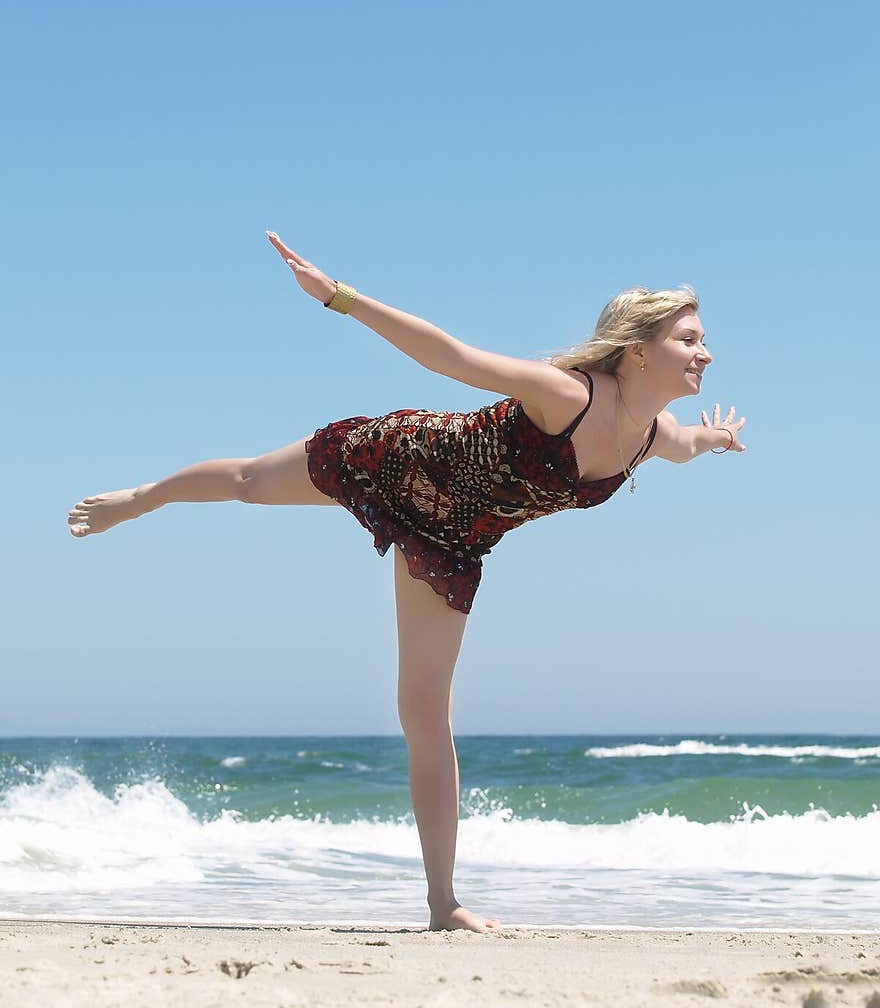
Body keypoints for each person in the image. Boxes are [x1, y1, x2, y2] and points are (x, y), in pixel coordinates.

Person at [68, 231, 746, 934]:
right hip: (401, 459)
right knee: (248, 482)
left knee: (425, 713)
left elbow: (690, 446)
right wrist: (341, 297)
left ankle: (442, 902)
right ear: (639, 349)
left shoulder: (652, 434)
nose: (705, 351)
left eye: (703, 338)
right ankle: (143, 496)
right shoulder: (568, 395)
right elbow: (450, 354)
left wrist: (718, 437)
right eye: (690, 337)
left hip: (454, 540)